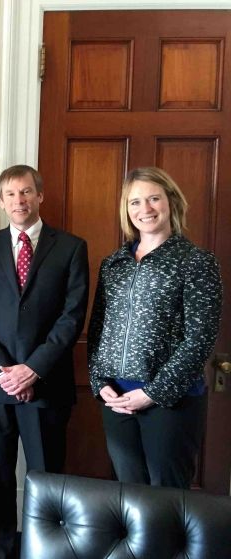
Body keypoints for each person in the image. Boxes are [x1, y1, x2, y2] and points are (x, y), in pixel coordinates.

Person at [0, 165, 89, 559]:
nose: (19, 200)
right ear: (1, 202)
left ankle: (47, 549)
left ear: (40, 195)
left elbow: (72, 316)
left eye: (26, 192)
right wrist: (4, 373)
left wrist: (32, 369)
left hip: (47, 384)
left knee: (47, 477)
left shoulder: (71, 248)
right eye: (11, 194)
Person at [87, 166, 222, 489]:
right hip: (117, 398)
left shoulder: (197, 262)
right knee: (129, 492)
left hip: (171, 400)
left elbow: (200, 338)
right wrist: (99, 381)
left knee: (167, 495)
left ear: (171, 201)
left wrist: (153, 393)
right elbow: (98, 328)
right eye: (135, 202)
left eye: (153, 199)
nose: (144, 209)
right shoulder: (114, 263)